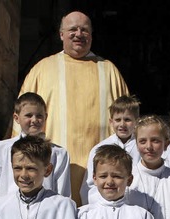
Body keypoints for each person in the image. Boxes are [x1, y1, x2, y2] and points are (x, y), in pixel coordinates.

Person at [16, 11, 129, 203]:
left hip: (101, 171)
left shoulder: (109, 70)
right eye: (73, 29)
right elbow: (23, 120)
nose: (79, 34)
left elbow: (127, 119)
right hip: (53, 165)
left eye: (84, 30)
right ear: (61, 34)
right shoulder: (42, 69)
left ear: (91, 35)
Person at [0, 92, 71, 219]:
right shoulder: (0, 149)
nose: (34, 120)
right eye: (28, 115)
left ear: (45, 117)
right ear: (16, 118)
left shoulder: (58, 153)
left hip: (44, 217)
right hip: (7, 216)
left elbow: (62, 193)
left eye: (39, 116)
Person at [80, 95, 141, 204]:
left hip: (135, 204)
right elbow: (89, 186)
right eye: (118, 120)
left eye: (127, 120)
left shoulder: (142, 147)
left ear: (136, 121)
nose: (122, 124)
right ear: (111, 122)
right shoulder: (99, 149)